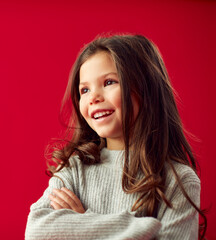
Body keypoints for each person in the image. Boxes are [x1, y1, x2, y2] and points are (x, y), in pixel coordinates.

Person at [25, 34, 207, 240]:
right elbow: (36, 231)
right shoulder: (74, 169)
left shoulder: (179, 181)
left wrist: (81, 222)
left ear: (146, 88)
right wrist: (139, 229)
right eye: (84, 89)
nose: (93, 97)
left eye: (109, 82)